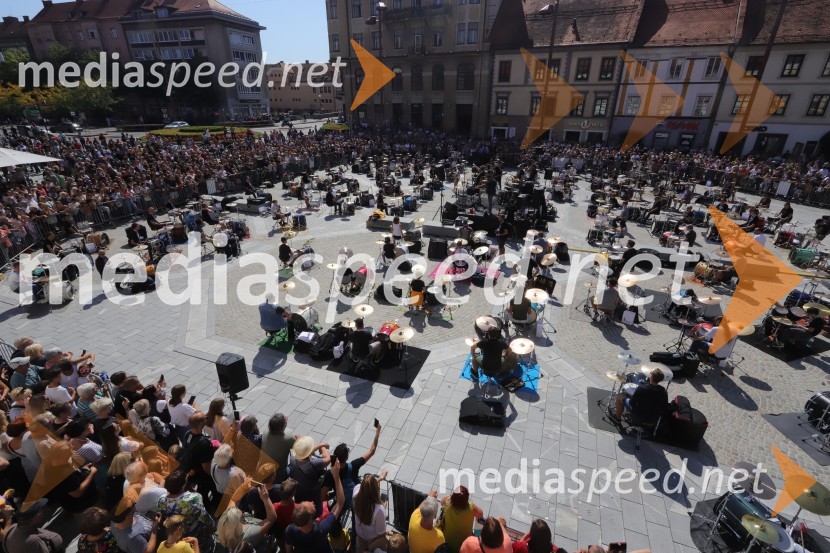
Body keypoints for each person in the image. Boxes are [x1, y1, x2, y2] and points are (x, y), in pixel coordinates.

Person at [284, 458, 345, 553]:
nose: (312, 502)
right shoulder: (321, 529)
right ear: (311, 518)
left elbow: (288, 550)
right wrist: (336, 476)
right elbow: (340, 502)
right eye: (312, 506)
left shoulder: (290, 530)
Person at [320, 423, 385, 511]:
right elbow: (372, 451)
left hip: (341, 503)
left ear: (335, 456)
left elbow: (322, 495)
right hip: (358, 499)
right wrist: (377, 432)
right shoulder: (354, 465)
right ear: (346, 458)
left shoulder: (329, 474)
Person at [288, 435, 330, 513]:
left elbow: (302, 452)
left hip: (299, 490)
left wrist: (300, 441)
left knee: (300, 506)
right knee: (316, 509)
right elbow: (328, 458)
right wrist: (322, 446)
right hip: (313, 493)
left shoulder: (292, 459)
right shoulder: (314, 463)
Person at [352, 474, 389, 553]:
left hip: (359, 534)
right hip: (373, 540)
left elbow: (366, 487)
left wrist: (380, 478)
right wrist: (384, 508)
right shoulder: (379, 510)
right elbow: (381, 532)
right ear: (376, 490)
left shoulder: (355, 492)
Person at [441, 486, 484, 553]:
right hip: (464, 546)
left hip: (446, 543)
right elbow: (480, 514)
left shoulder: (448, 502)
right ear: (466, 499)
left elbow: (441, 501)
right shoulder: (471, 507)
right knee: (480, 522)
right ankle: (477, 537)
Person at [261, 413, 295, 483]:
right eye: (285, 421)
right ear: (283, 427)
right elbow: (298, 448)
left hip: (262, 470)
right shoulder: (288, 438)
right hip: (278, 474)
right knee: (293, 467)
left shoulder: (266, 431)